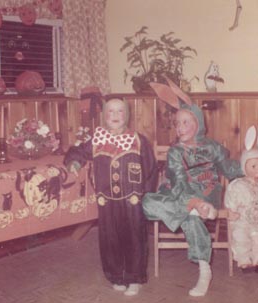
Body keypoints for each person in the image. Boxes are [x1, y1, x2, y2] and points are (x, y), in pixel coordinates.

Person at [142, 77, 243, 297]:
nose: (180, 127)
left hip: (207, 195)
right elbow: (178, 182)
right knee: (147, 202)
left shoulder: (213, 147)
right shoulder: (175, 151)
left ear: (198, 123)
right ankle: (195, 207)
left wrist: (249, 165)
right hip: (181, 195)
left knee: (191, 216)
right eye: (177, 123)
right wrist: (192, 202)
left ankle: (204, 271)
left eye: (186, 122)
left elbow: (230, 169)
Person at [63, 98, 157, 296]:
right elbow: (78, 151)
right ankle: (116, 275)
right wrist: (74, 162)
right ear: (104, 116)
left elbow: (150, 169)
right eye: (111, 111)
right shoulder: (98, 139)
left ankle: (134, 277)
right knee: (110, 238)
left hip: (132, 200)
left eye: (120, 111)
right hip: (106, 199)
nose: (115, 115)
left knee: (134, 237)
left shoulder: (138, 139)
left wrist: (145, 194)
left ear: (127, 115)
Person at [225, 125, 258, 273]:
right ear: (245, 168)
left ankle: (256, 259)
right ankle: (244, 260)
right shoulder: (238, 184)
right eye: (253, 166)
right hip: (242, 219)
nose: (257, 169)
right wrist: (230, 210)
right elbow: (230, 198)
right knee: (240, 236)